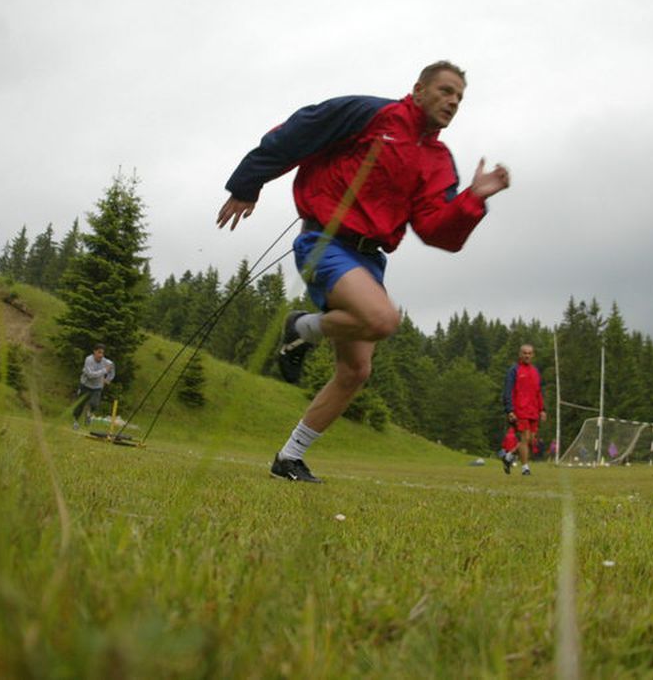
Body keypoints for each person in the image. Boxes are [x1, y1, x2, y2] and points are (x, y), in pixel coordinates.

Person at [217, 61, 510, 482]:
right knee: (382, 319)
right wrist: (248, 182)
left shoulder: (438, 161)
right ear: (419, 89)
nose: (453, 101)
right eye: (445, 91)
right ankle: (301, 328)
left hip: (370, 259)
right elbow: (299, 130)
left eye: (459, 97)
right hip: (324, 242)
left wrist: (473, 200)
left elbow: (436, 231)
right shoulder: (371, 114)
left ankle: (288, 458)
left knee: (355, 371)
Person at [500, 344, 546, 476]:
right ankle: (525, 468)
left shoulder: (535, 371)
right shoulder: (514, 370)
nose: (527, 355)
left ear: (533, 355)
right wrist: (510, 410)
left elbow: (538, 392)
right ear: (520, 354)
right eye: (525, 353)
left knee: (531, 441)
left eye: (529, 353)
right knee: (525, 438)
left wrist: (542, 409)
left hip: (533, 411)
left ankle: (508, 457)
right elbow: (507, 391)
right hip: (520, 410)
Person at [72, 344, 115, 429]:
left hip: (97, 387)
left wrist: (108, 379)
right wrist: (104, 370)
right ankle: (76, 422)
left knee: (94, 404)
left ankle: (89, 414)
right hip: (85, 385)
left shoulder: (106, 362)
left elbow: (112, 370)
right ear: (94, 352)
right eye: (99, 352)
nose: (101, 355)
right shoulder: (89, 360)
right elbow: (91, 375)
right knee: (80, 404)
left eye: (102, 353)